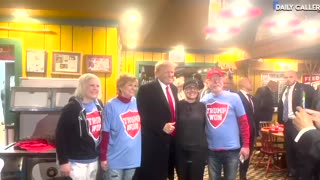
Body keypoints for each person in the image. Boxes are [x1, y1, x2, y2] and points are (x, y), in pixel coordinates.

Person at [200, 69, 250, 180]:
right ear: (208, 82)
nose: (216, 82)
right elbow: (201, 125)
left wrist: (246, 145)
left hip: (232, 150)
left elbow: (244, 123)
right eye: (213, 80)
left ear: (223, 81)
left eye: (218, 79)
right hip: (211, 150)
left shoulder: (234, 98)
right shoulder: (204, 101)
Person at [135, 61, 178, 180]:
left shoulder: (174, 89)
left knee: (167, 173)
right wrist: (161, 126)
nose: (171, 75)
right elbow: (142, 113)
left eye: (172, 72)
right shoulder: (146, 89)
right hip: (153, 141)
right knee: (152, 173)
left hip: (171, 141)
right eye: (167, 72)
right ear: (157, 72)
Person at [55, 73, 103, 180]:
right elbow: (60, 136)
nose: (95, 88)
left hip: (93, 160)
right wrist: (63, 162)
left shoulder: (99, 105)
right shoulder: (71, 108)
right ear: (82, 87)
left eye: (97, 86)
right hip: (75, 162)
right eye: (91, 85)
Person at [100, 74, 141, 180]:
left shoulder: (138, 102)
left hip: (133, 158)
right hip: (114, 158)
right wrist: (103, 157)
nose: (134, 88)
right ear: (120, 87)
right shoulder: (111, 105)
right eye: (130, 85)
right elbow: (105, 133)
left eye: (135, 85)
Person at [277, 70, 315, 179]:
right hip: (287, 123)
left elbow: (312, 103)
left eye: (290, 77)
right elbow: (282, 105)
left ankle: (301, 174)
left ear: (296, 77)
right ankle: (291, 172)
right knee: (289, 149)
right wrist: (281, 120)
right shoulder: (285, 89)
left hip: (299, 122)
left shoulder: (304, 88)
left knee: (300, 149)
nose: (288, 79)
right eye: (286, 77)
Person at [175, 79, 207, 180]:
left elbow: (206, 127)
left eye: (194, 88)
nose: (192, 90)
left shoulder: (203, 106)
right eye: (188, 88)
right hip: (180, 149)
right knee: (182, 177)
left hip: (198, 150)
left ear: (198, 90)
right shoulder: (178, 105)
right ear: (184, 90)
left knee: (196, 177)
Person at [237, 77, 256, 180]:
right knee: (241, 155)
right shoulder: (237, 97)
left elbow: (253, 116)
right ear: (243, 84)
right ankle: (241, 176)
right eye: (249, 82)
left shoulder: (251, 98)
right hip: (241, 132)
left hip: (252, 131)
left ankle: (243, 174)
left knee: (248, 155)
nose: (251, 83)